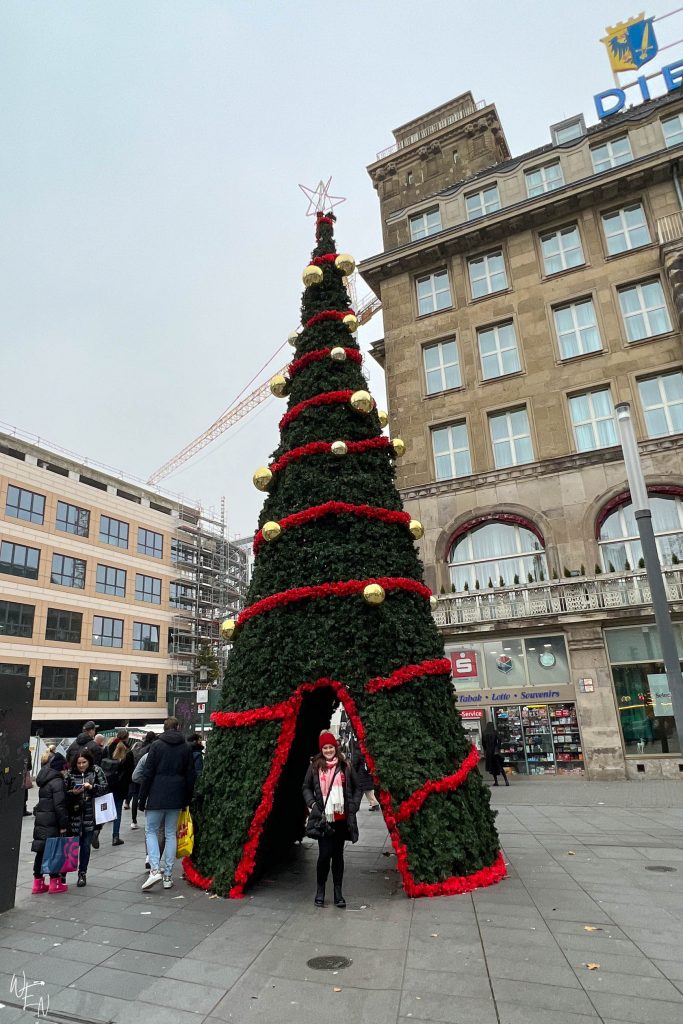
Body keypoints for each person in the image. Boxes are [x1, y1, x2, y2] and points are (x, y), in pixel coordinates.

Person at [302, 731, 361, 909]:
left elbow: (357, 788)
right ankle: (320, 890)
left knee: (338, 856)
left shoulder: (345, 765)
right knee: (324, 855)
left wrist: (354, 806)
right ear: (322, 749)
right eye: (325, 747)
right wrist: (312, 804)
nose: (328, 750)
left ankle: (338, 892)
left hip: (342, 819)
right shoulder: (314, 766)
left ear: (335, 747)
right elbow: (306, 787)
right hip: (324, 818)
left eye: (331, 747)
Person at [138, 717, 196, 891]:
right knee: (171, 833)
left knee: (151, 830)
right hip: (177, 795)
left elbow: (147, 773)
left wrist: (142, 798)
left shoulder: (156, 746)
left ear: (164, 728)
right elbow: (191, 775)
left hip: (156, 794)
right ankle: (168, 875)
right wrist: (187, 798)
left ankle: (155, 869)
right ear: (178, 727)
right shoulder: (186, 747)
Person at [66, 749, 108, 887]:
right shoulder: (71, 773)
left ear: (89, 761)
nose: (81, 765)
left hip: (91, 813)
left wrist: (92, 787)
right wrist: (73, 792)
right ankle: (63, 873)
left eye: (84, 762)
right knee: (72, 844)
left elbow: (104, 788)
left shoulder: (96, 771)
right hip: (75, 814)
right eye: (79, 763)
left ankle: (82, 872)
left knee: (85, 845)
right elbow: (64, 791)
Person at [31, 752, 69, 894]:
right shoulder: (58, 781)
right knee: (54, 852)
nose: (66, 772)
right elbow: (60, 806)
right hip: (53, 822)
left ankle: (37, 884)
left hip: (42, 821)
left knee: (41, 852)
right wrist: (63, 825)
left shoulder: (44, 780)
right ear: (61, 768)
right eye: (65, 769)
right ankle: (55, 883)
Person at [103, 729, 135, 846]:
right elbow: (130, 770)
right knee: (117, 810)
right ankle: (115, 836)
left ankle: (97, 831)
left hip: (108, 783)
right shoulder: (128, 751)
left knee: (105, 809)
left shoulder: (108, 748)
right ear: (127, 737)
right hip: (121, 785)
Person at [130, 731, 156, 830]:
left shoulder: (138, 746)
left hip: (136, 773)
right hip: (142, 775)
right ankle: (148, 819)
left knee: (135, 797)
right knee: (145, 795)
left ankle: (133, 820)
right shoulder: (151, 748)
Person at [351, 743, 380, 811]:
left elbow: (355, 764)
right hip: (366, 773)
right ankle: (375, 804)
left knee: (359, 792)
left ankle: (355, 805)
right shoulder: (365, 751)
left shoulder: (357, 752)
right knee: (368, 790)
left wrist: (353, 773)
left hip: (361, 775)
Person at [482, 721, 509, 787]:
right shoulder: (495, 732)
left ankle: (496, 781)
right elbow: (499, 739)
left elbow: (483, 743)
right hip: (495, 751)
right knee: (500, 766)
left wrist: (486, 750)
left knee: (492, 767)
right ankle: (506, 780)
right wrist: (498, 747)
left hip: (489, 752)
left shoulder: (484, 733)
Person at [23, 749, 33, 816]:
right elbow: (29, 766)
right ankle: (23, 810)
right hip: (24, 774)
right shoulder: (27, 751)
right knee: (24, 793)